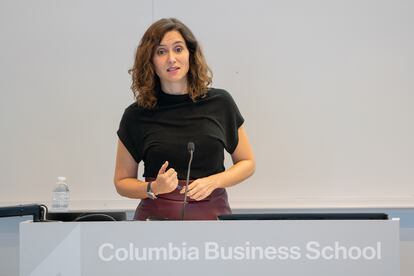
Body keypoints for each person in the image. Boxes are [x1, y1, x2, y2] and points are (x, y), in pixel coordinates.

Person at [114, 18, 255, 220]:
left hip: (211, 220)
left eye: (178, 49)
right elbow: (121, 181)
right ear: (150, 60)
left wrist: (213, 181)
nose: (171, 58)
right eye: (161, 52)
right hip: (155, 225)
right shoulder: (136, 114)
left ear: (190, 54)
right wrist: (153, 187)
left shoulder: (221, 103)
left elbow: (247, 162)